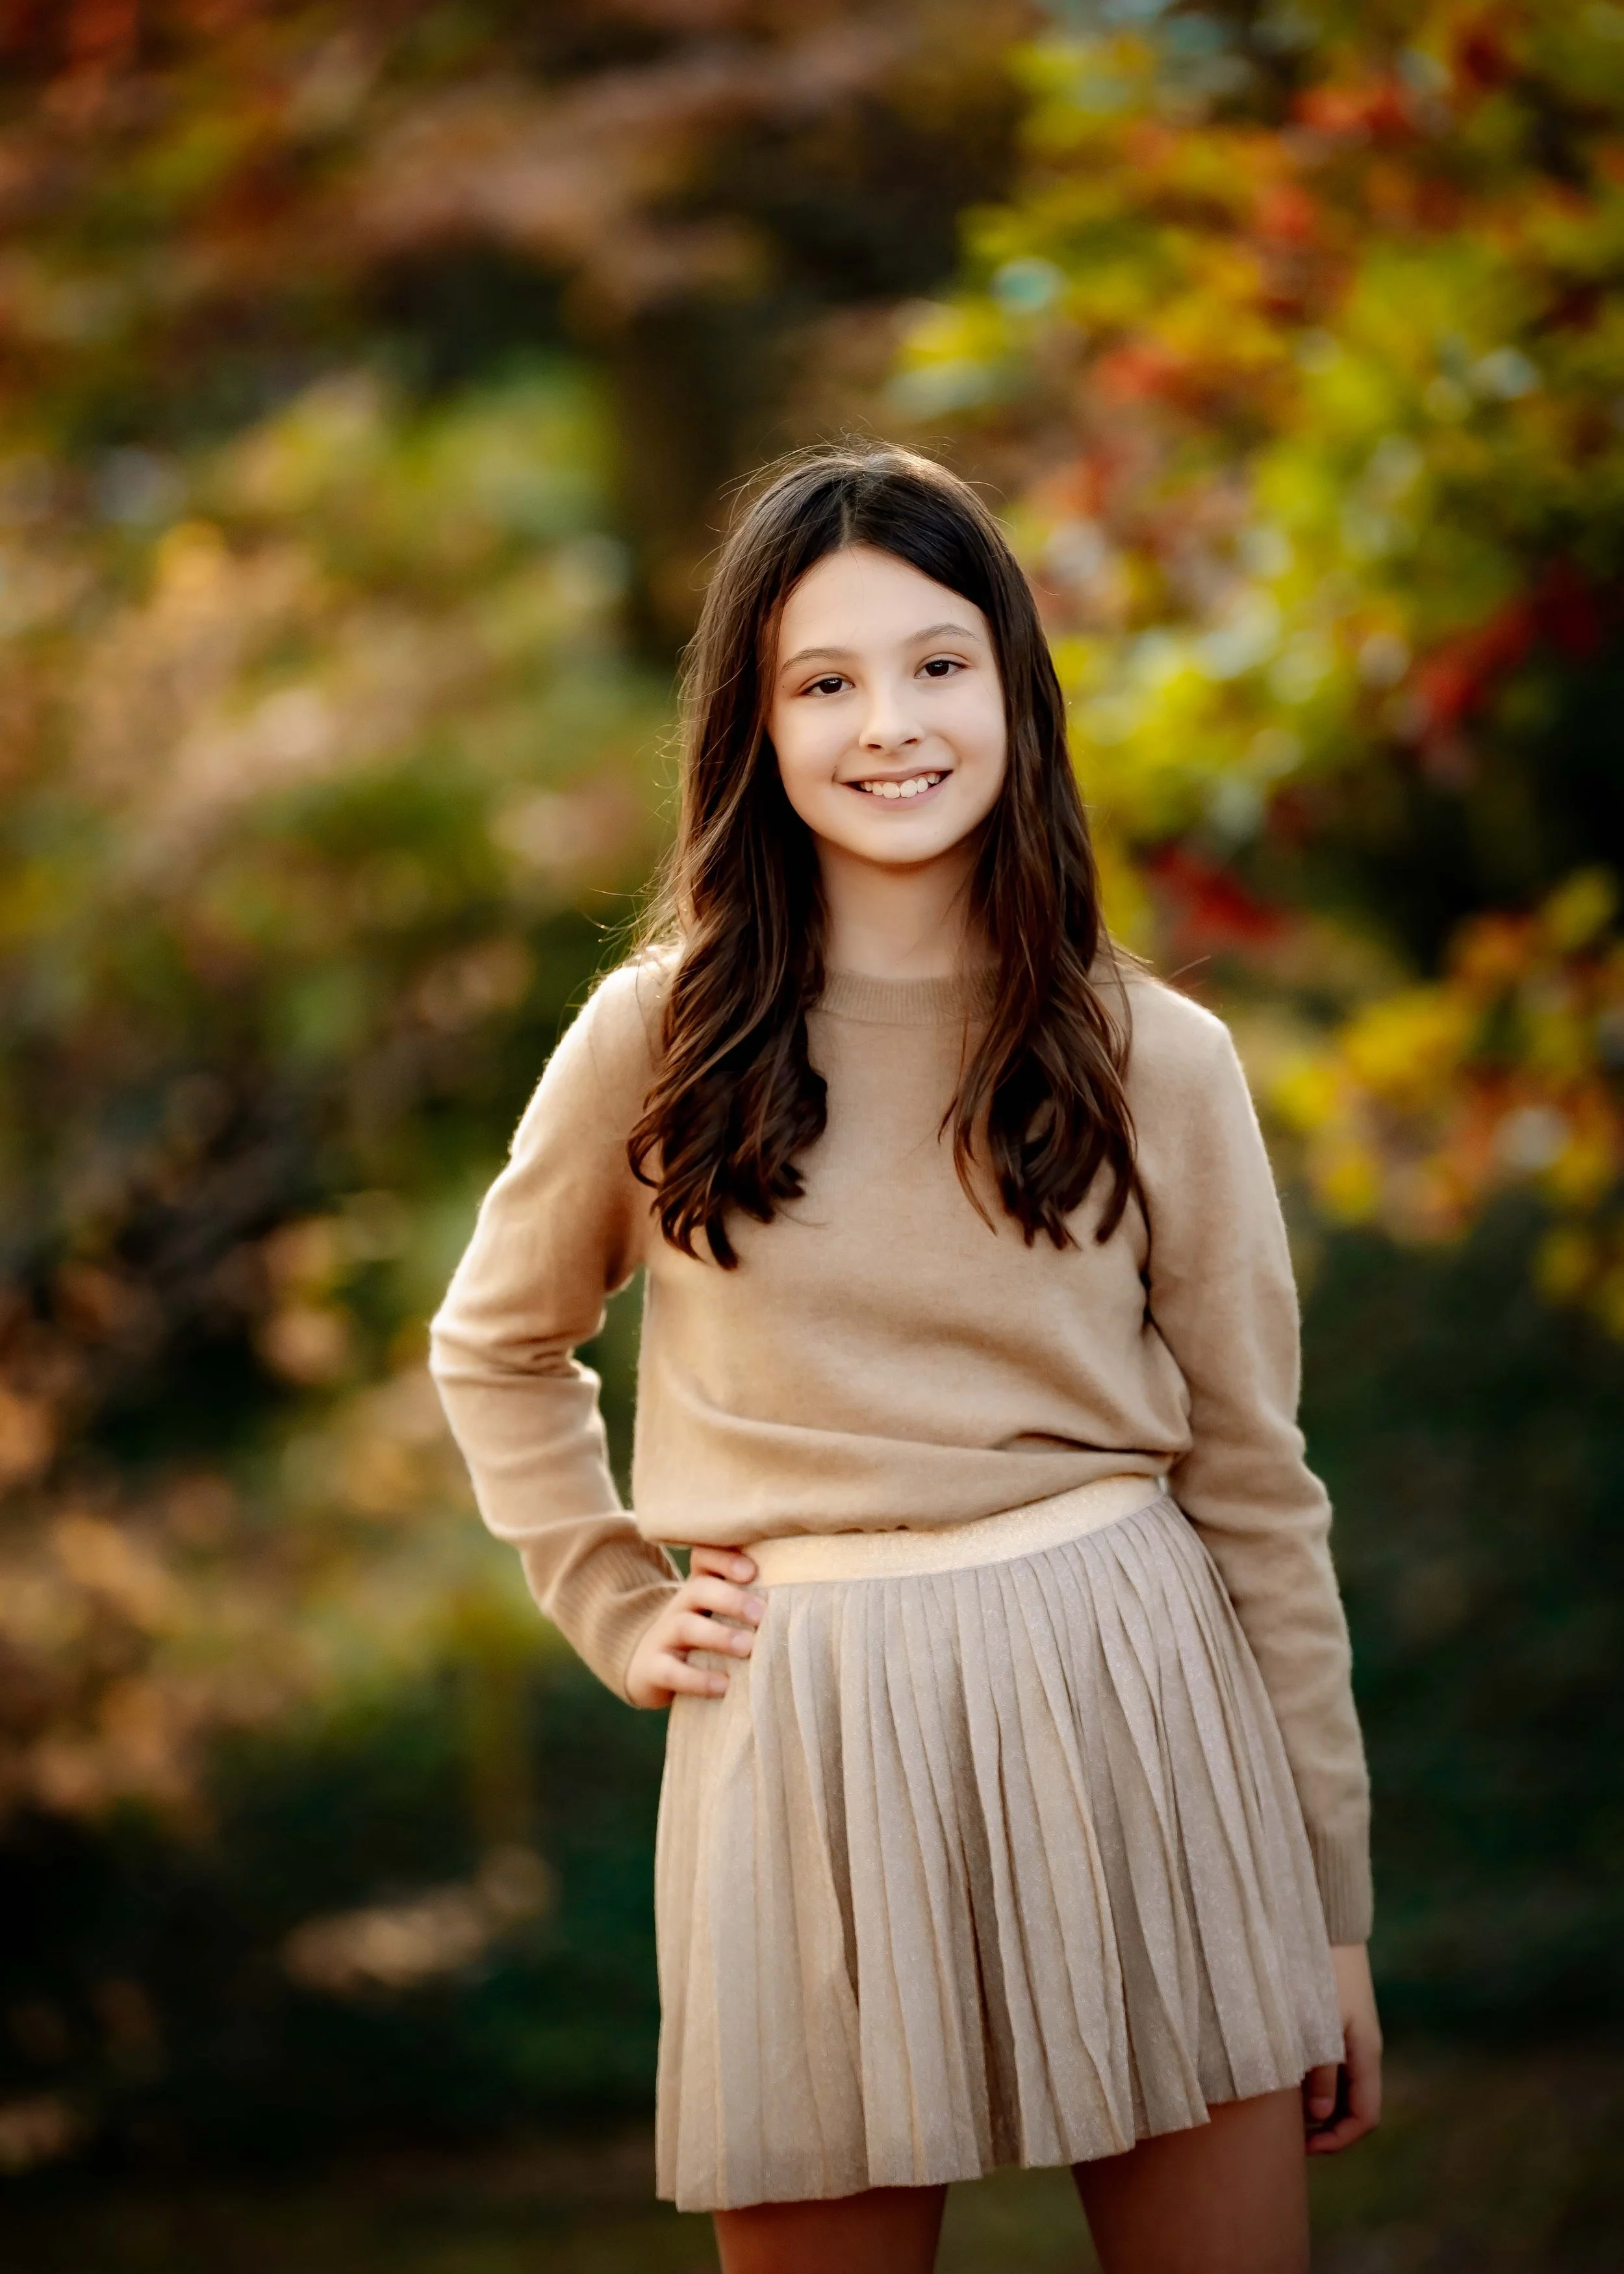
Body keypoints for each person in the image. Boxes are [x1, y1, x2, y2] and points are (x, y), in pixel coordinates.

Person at [428, 444, 1382, 2274]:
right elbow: (497, 1342)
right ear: (754, 725)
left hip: (1138, 1708)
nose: (891, 724)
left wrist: (1328, 1912)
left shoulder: (1154, 1054)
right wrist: (611, 1594)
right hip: (806, 1738)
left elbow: (1259, 1484)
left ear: (1014, 687)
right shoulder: (660, 1036)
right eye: (825, 679)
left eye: (938, 664)